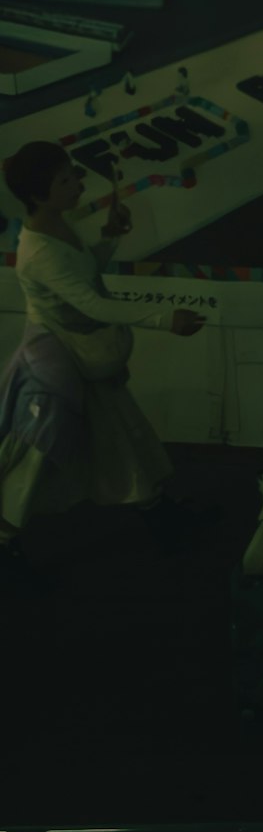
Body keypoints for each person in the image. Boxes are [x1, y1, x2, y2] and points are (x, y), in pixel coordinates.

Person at [1, 138, 206, 541]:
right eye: (66, 179)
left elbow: (82, 275)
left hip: (78, 351)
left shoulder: (56, 223)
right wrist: (165, 319)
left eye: (73, 173)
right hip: (57, 363)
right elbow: (93, 304)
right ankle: (4, 540)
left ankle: (157, 512)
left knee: (119, 432)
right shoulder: (40, 251)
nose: (78, 183)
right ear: (39, 196)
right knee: (38, 454)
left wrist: (110, 237)